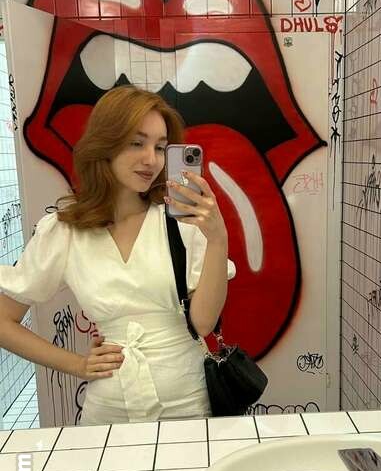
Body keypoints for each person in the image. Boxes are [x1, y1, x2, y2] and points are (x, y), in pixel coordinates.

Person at [0, 85, 236, 425]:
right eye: (136, 143)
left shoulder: (181, 224)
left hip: (187, 399)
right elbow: (4, 321)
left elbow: (203, 323)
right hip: (110, 406)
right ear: (105, 144)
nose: (151, 159)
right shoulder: (65, 231)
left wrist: (217, 239)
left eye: (160, 147)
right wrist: (77, 364)